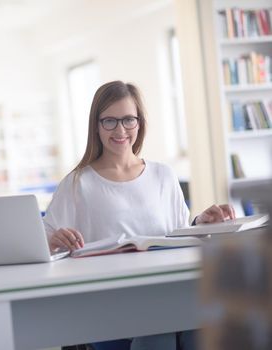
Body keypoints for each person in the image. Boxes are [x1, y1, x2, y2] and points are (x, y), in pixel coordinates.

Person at [42, 80, 235, 350]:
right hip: (108, 305)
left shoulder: (163, 175)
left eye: (128, 120)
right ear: (96, 126)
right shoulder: (77, 183)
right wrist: (54, 240)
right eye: (109, 121)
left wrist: (200, 224)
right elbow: (42, 243)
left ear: (139, 123)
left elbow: (178, 235)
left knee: (201, 326)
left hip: (167, 292)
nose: (120, 130)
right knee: (159, 333)